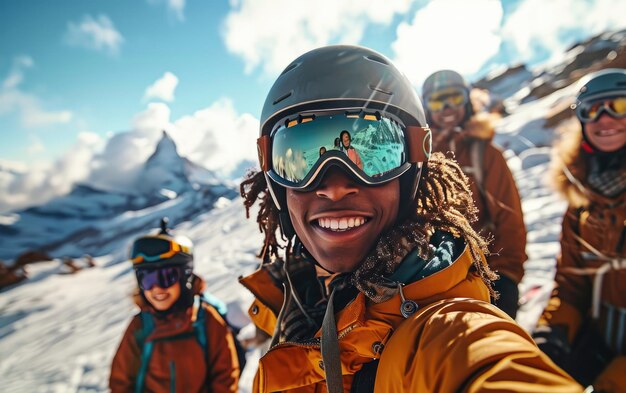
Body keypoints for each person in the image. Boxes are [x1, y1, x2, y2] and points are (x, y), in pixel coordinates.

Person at [239, 45, 580, 392]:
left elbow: (476, 359)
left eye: (373, 157)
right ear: (274, 181)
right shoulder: (291, 313)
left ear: (414, 169)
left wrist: (504, 278)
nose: (335, 187)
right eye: (299, 158)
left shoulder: (445, 331)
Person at [533, 68, 626, 391]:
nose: (604, 119)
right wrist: (552, 332)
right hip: (599, 335)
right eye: (591, 110)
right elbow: (570, 285)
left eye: (619, 107)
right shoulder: (581, 202)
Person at [422, 70, 527, 319]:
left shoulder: (487, 155)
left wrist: (506, 279)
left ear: (467, 102)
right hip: (429, 282)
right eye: (438, 101)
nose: (447, 107)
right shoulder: (419, 157)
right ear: (426, 108)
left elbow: (510, 220)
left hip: (486, 276)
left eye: (454, 98)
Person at [110, 218, 240, 393]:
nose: (156, 288)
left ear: (185, 278)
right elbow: (121, 381)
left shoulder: (206, 319)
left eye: (166, 277)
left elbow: (225, 377)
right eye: (147, 279)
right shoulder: (140, 325)